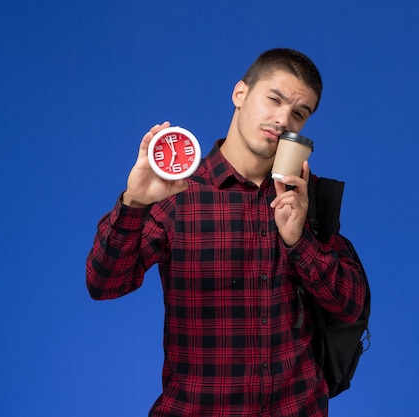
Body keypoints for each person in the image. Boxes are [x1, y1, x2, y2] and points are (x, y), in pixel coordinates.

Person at [86, 48, 367, 417]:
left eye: (299, 113)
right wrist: (134, 203)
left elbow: (351, 305)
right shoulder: (178, 192)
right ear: (240, 94)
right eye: (274, 99)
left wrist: (300, 242)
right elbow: (105, 284)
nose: (283, 119)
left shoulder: (304, 195)